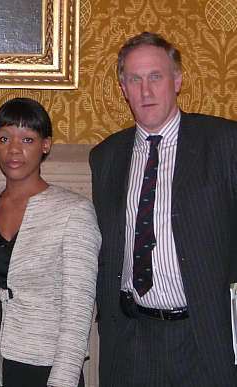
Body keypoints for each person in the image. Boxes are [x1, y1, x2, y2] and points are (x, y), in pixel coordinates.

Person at [90, 31, 237, 386]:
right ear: (123, 88)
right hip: (130, 339)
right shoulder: (106, 156)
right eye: (134, 79)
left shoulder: (223, 143)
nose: (145, 90)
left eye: (156, 76)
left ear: (177, 80)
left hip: (203, 337)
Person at [0, 97, 100, 387]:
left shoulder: (73, 212)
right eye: (5, 138)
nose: (14, 149)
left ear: (45, 145)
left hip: (44, 365)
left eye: (27, 139)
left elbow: (77, 310)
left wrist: (63, 380)